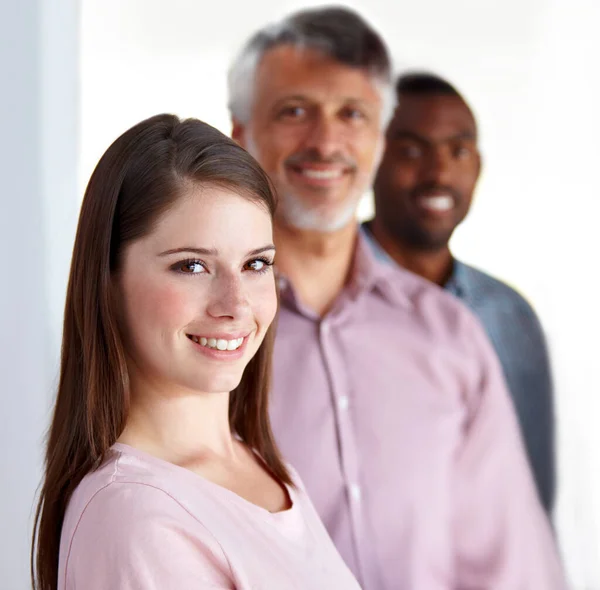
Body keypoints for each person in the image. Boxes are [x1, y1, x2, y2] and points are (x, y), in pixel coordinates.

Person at [228, 7, 566, 590]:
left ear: (378, 140)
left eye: (352, 114)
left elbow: (512, 564)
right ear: (241, 134)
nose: (326, 141)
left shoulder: (449, 332)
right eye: (295, 111)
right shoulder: (205, 329)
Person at [31, 114, 361, 590]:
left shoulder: (265, 467)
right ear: (108, 281)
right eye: (191, 265)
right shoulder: (139, 519)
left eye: (256, 264)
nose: (236, 304)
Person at [368, 72, 556, 515]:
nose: (438, 173)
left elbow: (529, 498)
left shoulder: (508, 315)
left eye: (458, 151)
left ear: (477, 166)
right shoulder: (313, 300)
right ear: (370, 158)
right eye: (412, 150)